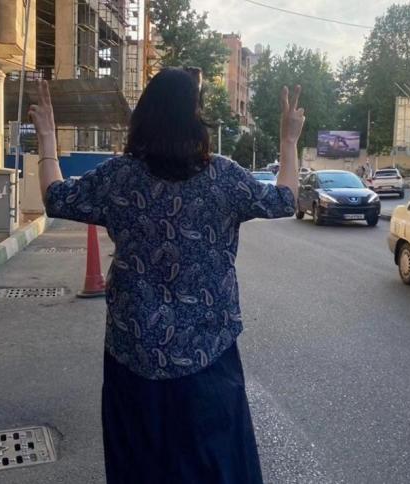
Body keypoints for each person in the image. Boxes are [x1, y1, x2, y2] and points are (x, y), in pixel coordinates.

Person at [28, 69, 305, 483]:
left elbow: (55, 197)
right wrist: (288, 141)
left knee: (140, 468)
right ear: (195, 119)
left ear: (145, 117)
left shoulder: (119, 177)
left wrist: (48, 139)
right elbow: (284, 199)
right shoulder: (224, 178)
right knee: (217, 468)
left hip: (133, 356)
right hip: (209, 357)